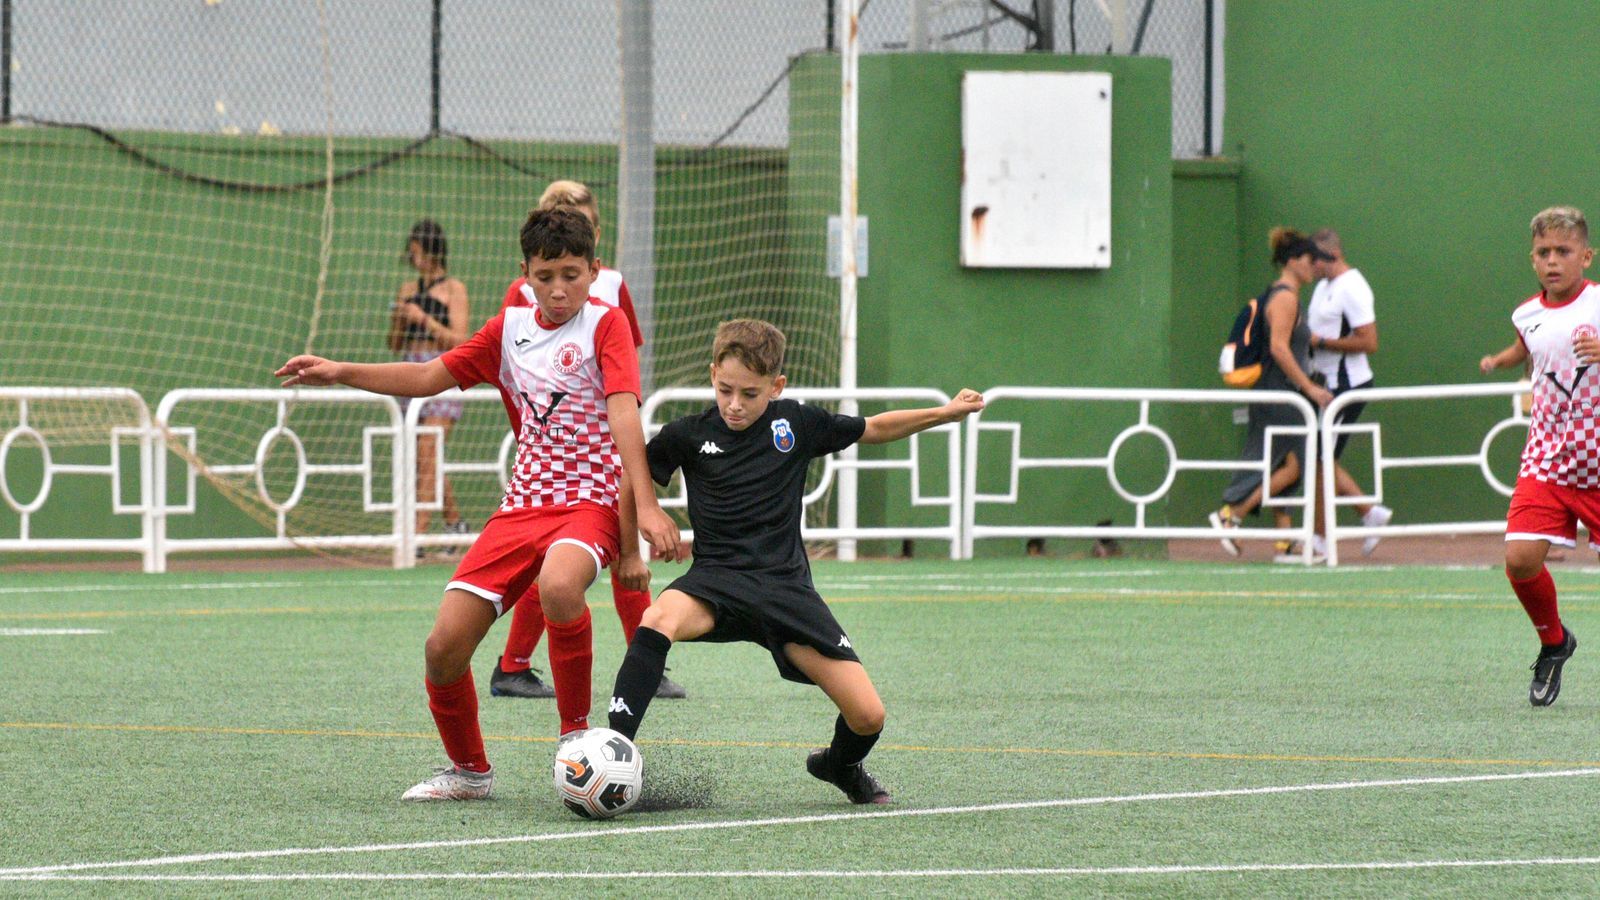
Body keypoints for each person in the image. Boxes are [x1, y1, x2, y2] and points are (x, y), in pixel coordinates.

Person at [277, 206, 682, 800]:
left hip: (587, 502)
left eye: (572, 274)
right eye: (546, 276)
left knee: (561, 586)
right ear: (525, 273)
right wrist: (339, 370)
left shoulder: (605, 326)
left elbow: (625, 414)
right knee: (442, 648)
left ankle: (576, 744)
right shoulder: (507, 330)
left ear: (594, 272)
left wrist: (643, 508)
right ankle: (470, 773)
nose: (559, 288)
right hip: (520, 507)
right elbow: (426, 377)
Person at [601, 318, 985, 806]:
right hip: (714, 582)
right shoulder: (687, 435)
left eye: (751, 393)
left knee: (868, 716)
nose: (735, 404)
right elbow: (632, 479)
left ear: (776, 387)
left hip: (785, 591)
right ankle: (615, 749)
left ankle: (838, 765)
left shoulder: (797, 424)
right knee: (656, 618)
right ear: (713, 372)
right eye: (725, 390)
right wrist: (632, 546)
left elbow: (876, 427)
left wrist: (945, 413)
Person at [487, 180, 686, 702]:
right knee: (559, 563)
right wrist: (532, 435)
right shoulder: (519, 298)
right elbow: (510, 370)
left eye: (584, 221)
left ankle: (643, 661)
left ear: (595, 237)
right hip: (553, 452)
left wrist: (624, 430)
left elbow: (625, 369)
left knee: (622, 551)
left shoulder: (613, 291)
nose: (557, 284)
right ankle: (514, 663)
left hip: (609, 442)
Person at [1477, 205, 1594, 706]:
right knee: (1520, 560)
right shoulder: (1526, 313)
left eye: (1563, 252)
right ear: (1532, 259)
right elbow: (1526, 345)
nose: (1553, 261)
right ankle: (1554, 642)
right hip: (1546, 461)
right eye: (1544, 252)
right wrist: (1501, 360)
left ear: (1586, 256)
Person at [1209, 228, 1334, 557]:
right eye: (1310, 260)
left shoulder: (1286, 296)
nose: (1315, 267)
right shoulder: (1285, 299)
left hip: (1281, 392)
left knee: (1288, 462)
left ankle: (1286, 540)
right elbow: (1279, 348)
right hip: (1279, 393)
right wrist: (1309, 388)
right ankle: (1231, 516)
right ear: (1293, 262)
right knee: (1293, 465)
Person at [1306, 228, 1394, 556]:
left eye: (1312, 260)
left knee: (1318, 458)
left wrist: (1321, 343)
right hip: (1324, 384)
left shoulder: (1353, 287)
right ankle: (1369, 513)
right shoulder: (1322, 288)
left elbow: (1369, 342)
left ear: (1328, 257)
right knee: (1319, 457)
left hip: (1347, 385)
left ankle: (1320, 537)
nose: (1308, 267)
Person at [387, 220, 470, 542]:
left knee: (428, 446)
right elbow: (394, 343)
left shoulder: (454, 289)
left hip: (441, 369)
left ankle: (417, 534)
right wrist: (399, 319)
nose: (414, 258)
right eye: (412, 253)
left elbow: (460, 341)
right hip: (410, 369)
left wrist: (426, 320)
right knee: (422, 454)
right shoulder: (408, 289)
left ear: (434, 251)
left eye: (419, 252)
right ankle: (454, 521)